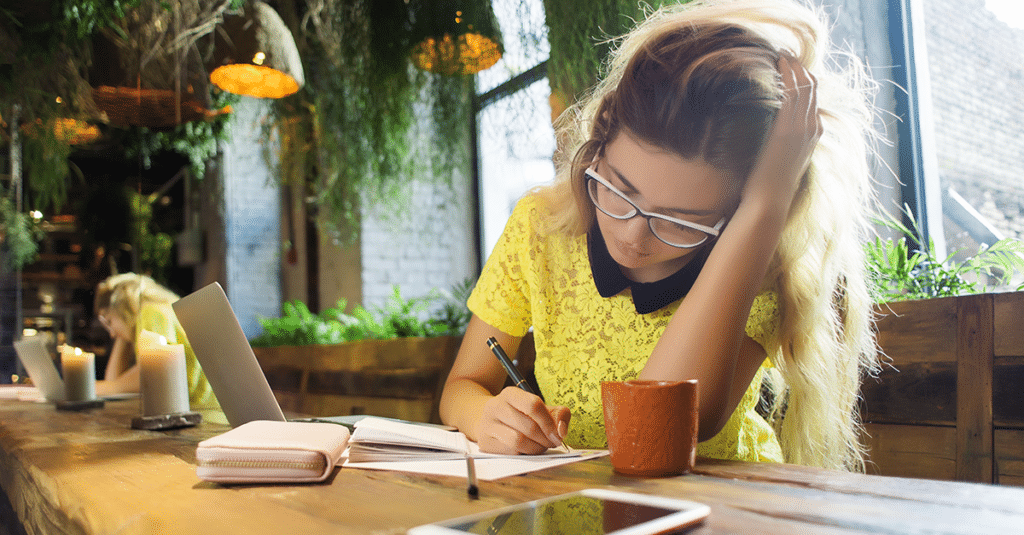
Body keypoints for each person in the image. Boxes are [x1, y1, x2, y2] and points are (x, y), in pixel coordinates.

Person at [439, 0, 880, 471]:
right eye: (617, 189)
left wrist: (767, 205)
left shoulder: (759, 259)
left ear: (734, 215)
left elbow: (651, 430)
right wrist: (486, 413)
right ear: (599, 140)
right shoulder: (540, 225)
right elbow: (461, 387)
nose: (633, 236)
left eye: (678, 221)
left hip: (718, 509)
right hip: (573, 499)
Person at [94, 273, 219, 410]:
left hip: (207, 412)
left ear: (122, 306)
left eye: (110, 321)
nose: (111, 334)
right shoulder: (156, 311)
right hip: (199, 409)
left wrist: (99, 388)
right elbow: (113, 383)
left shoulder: (151, 311)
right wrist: (121, 337)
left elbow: (155, 373)